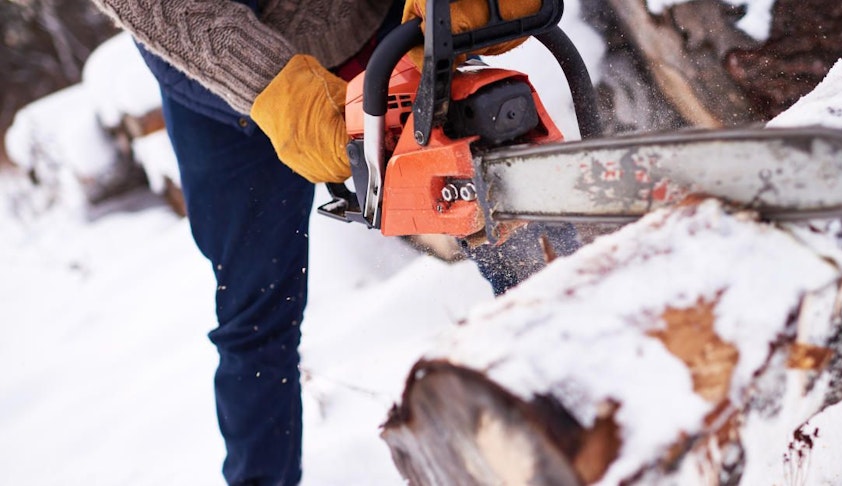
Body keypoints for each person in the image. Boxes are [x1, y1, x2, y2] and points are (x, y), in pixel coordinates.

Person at [88, 0, 577, 484]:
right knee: (256, 312)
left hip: (375, 29)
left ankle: (583, 376)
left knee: (506, 211)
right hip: (220, 77)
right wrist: (271, 89)